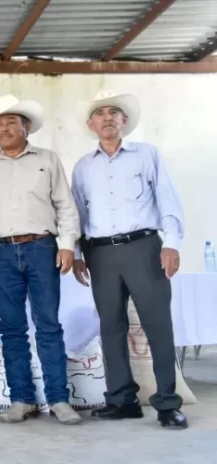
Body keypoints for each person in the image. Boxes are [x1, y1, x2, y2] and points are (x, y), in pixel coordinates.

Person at [71, 90, 188, 429]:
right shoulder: (83, 167)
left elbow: (167, 199)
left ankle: (168, 403)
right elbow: (78, 213)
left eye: (114, 112)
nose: (107, 118)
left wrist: (172, 243)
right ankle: (122, 400)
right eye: (100, 114)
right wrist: (77, 254)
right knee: (111, 326)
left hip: (144, 247)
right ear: (91, 125)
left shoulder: (146, 155)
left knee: (157, 325)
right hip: (99, 253)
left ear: (124, 120)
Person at [0, 95, 82, 425]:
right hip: (0, 252)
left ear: (26, 128)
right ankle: (22, 399)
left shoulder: (47, 160)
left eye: (11, 123)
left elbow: (65, 205)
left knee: (48, 325)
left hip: (42, 248)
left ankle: (59, 399)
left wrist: (67, 245)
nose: (3, 129)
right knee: (12, 328)